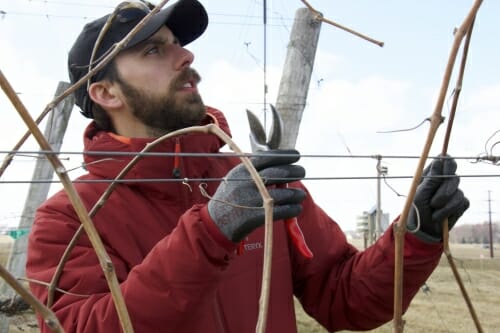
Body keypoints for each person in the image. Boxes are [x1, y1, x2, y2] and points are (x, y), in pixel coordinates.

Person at [26, 0, 470, 332]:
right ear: (106, 93)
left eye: (178, 45)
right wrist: (210, 231)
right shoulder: (69, 217)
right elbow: (82, 326)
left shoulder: (254, 182)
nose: (186, 57)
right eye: (153, 51)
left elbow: (342, 296)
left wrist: (415, 237)